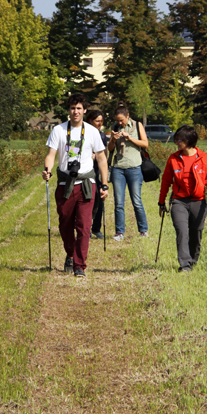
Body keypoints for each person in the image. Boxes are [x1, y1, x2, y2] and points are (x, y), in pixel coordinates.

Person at [43, 94, 108, 277]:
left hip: (86, 184)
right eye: (72, 108)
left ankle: (80, 265)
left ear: (84, 110)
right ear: (68, 110)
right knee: (65, 225)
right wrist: (47, 169)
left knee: (84, 226)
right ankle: (70, 254)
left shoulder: (92, 132)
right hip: (65, 184)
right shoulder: (59, 130)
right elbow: (50, 154)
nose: (75, 111)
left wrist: (104, 185)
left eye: (79, 108)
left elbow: (102, 160)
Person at [158, 125, 207, 273]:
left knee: (196, 233)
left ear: (189, 140)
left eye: (180, 139)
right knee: (182, 231)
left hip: (198, 201)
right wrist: (161, 201)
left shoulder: (204, 158)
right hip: (179, 201)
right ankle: (185, 265)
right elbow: (166, 181)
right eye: (176, 139)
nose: (177, 142)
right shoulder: (173, 158)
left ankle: (193, 259)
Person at [107, 104, 149, 242]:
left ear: (127, 116)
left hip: (134, 168)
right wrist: (113, 139)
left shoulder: (137, 126)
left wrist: (129, 138)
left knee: (136, 201)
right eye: (117, 120)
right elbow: (110, 149)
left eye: (121, 120)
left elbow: (145, 144)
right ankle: (119, 232)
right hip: (118, 168)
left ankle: (143, 230)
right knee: (119, 202)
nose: (119, 123)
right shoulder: (114, 127)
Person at [86, 108, 108, 239]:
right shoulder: (84, 133)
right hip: (87, 172)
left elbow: (104, 155)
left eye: (101, 121)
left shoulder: (102, 135)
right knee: (88, 201)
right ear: (90, 121)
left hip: (98, 172)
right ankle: (86, 228)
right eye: (97, 121)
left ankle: (96, 228)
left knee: (100, 201)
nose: (99, 124)